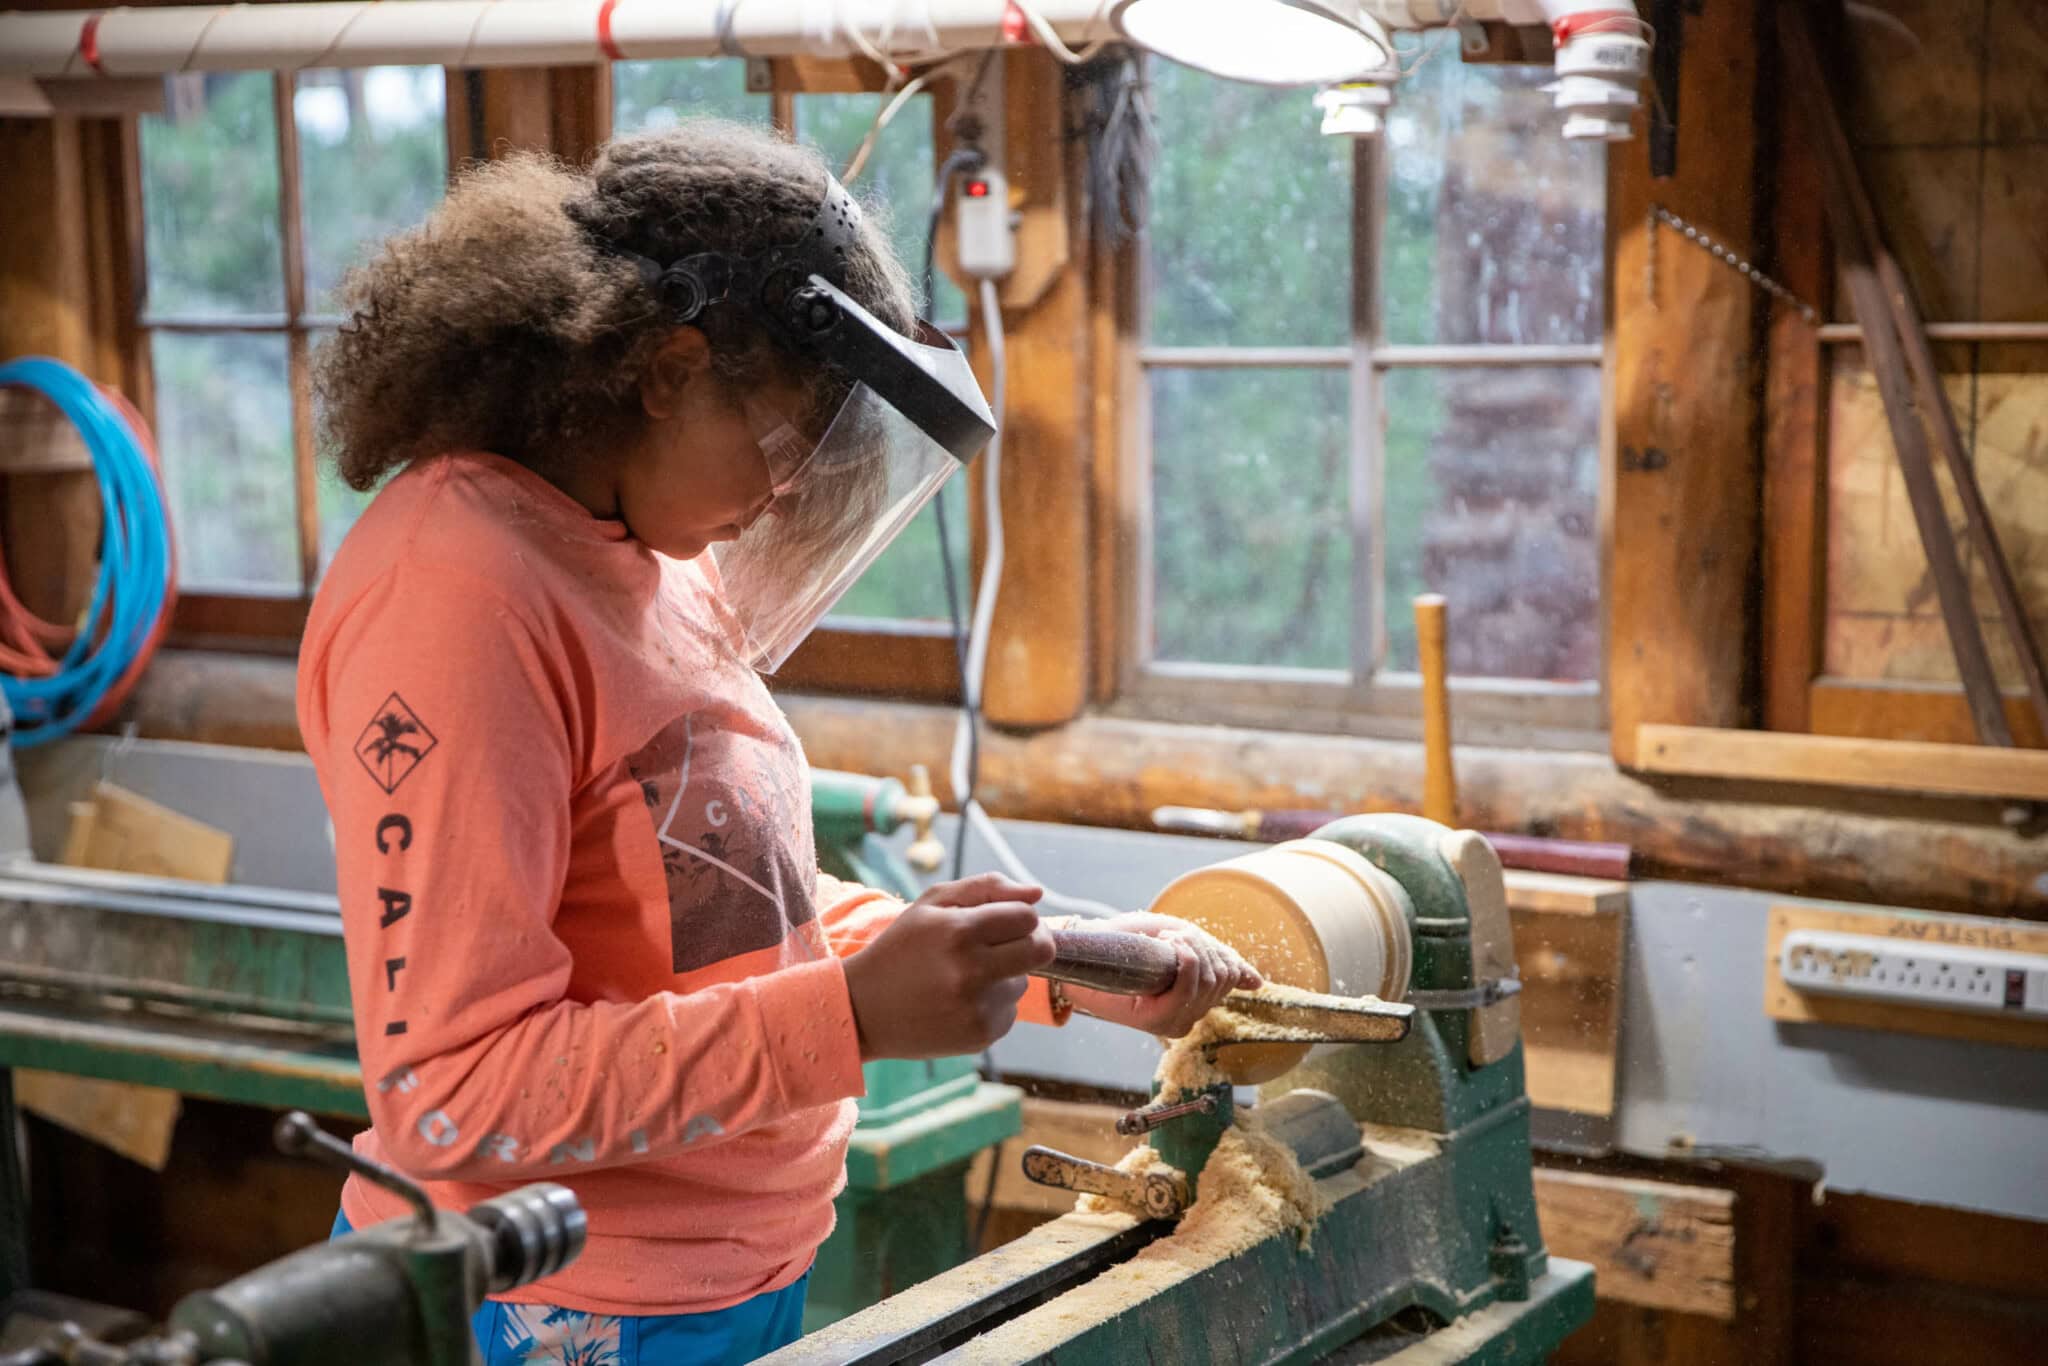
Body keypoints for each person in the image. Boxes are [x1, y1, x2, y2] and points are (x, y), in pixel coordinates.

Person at [297, 120, 1259, 1366]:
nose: (796, 491)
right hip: (552, 1303)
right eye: (790, 438)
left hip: (729, 1276)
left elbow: (731, 915)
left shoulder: (649, 550)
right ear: (667, 368)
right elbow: (455, 1095)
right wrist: (850, 1015)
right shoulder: (457, 593)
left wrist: (1049, 953)